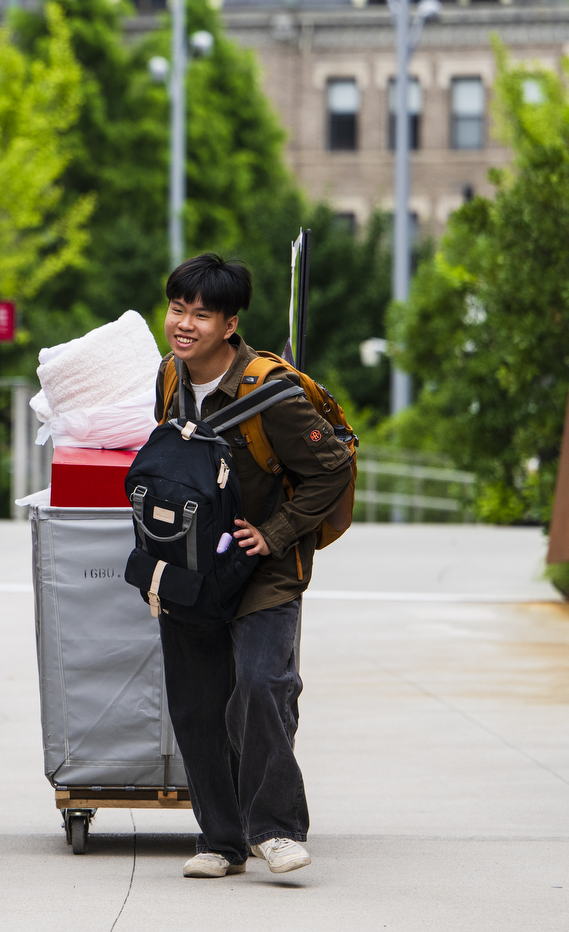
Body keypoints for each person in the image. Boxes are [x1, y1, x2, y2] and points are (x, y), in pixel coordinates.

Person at [152, 254, 354, 879]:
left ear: (230, 323)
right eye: (177, 309)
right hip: (193, 564)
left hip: (263, 565)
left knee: (264, 686)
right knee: (196, 702)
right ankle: (221, 839)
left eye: (201, 314)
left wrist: (276, 533)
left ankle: (276, 830)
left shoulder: (271, 392)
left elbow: (333, 467)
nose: (184, 324)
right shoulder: (169, 376)